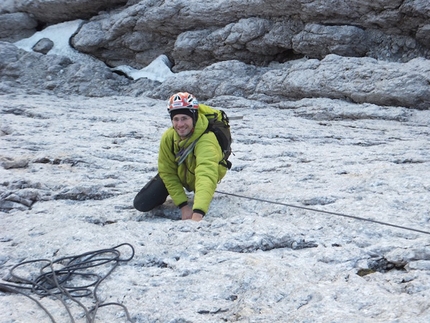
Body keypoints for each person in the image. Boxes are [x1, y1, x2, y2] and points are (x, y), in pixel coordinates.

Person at [133, 92, 228, 221]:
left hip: (199, 177)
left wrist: (198, 212)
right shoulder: (169, 137)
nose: (180, 124)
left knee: (202, 184)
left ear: (194, 117)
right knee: (142, 203)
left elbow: (206, 173)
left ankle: (200, 194)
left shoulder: (206, 140)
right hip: (180, 173)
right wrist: (183, 206)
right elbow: (167, 171)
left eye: (184, 118)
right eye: (176, 119)